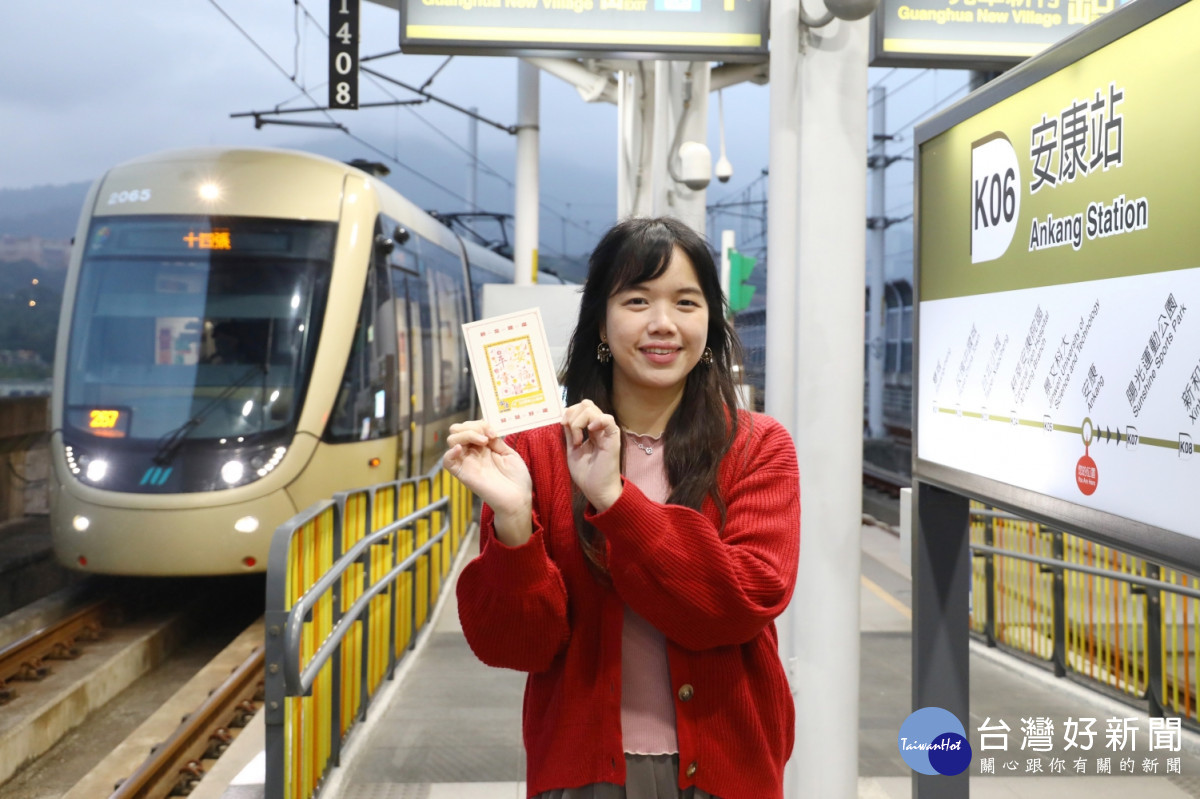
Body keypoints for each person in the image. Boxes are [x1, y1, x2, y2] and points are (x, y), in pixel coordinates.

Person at [446, 216, 800, 799]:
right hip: (583, 775)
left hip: (727, 770)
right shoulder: (534, 452)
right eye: (637, 300)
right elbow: (517, 647)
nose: (663, 323)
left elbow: (740, 606)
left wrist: (614, 499)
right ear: (602, 324)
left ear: (710, 323)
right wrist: (513, 522)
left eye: (686, 302)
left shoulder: (758, 446)